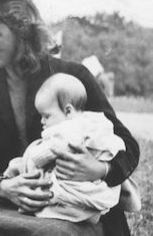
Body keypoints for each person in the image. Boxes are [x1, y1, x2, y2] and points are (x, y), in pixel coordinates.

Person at [0, 0, 139, 236]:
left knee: (52, 234)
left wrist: (101, 169)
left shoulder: (71, 76)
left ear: (21, 33)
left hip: (75, 210)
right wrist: (2, 187)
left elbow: (128, 146)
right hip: (16, 210)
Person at [9, 73, 139, 223]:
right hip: (89, 185)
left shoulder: (68, 131)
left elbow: (39, 157)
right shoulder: (92, 122)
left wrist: (31, 155)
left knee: (24, 164)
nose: (42, 121)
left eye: (46, 116)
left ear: (68, 111)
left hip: (76, 189)